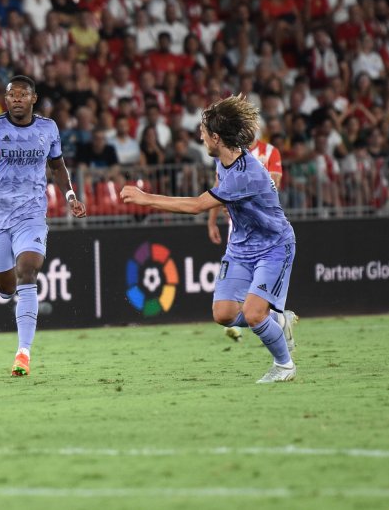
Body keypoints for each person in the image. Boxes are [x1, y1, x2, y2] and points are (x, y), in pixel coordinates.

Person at [121, 95, 299, 384]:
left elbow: (195, 204)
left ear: (216, 137)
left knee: (254, 314)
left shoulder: (246, 174)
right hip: (241, 248)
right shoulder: (225, 160)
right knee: (224, 313)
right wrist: (213, 220)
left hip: (273, 247)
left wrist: (146, 199)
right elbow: (218, 190)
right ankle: (279, 320)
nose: (200, 137)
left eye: (203, 132)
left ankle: (284, 366)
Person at [0, 76, 86, 376]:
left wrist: (70, 195)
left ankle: (23, 353)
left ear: (33, 99)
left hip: (31, 215)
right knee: (5, 287)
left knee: (28, 270)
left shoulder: (47, 129)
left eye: (22, 94)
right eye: (11, 94)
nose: (16, 99)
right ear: (5, 99)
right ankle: (9, 294)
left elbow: (57, 165)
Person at [207, 132, 284, 341]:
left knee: (259, 274)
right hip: (237, 225)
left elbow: (274, 183)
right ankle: (262, 319)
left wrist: (240, 197)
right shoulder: (225, 154)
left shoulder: (269, 152)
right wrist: (212, 220)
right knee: (238, 270)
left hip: (262, 225)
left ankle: (266, 318)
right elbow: (218, 188)